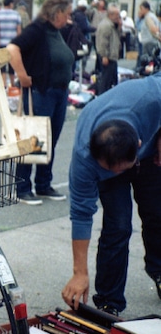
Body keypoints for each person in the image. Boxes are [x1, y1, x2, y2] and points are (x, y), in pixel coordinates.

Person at [62, 77, 161, 315]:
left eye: (121, 168)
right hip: (118, 157)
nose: (118, 172)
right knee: (118, 227)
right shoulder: (85, 159)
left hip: (146, 155)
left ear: (138, 143)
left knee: (157, 212)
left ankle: (159, 271)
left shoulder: (150, 96)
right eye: (111, 168)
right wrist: (80, 272)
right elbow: (81, 214)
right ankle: (109, 302)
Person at [7, 0, 74, 205]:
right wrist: (23, 76)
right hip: (41, 91)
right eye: (67, 13)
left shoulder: (56, 32)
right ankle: (22, 187)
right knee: (33, 138)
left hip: (59, 92)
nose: (69, 18)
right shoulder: (37, 29)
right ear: (58, 12)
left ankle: (44, 184)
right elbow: (12, 48)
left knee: (50, 141)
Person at [0, 0, 22, 87]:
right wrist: (18, 42)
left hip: (1, 43)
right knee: (12, 64)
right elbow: (18, 30)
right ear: (10, 4)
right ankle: (13, 84)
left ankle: (3, 84)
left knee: (2, 64)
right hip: (12, 44)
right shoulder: (16, 14)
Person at [95, 4, 122, 95]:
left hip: (112, 56)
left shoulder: (113, 25)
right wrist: (104, 55)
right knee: (105, 80)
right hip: (108, 56)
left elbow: (117, 37)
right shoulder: (106, 26)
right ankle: (102, 96)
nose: (118, 17)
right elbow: (103, 42)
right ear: (111, 15)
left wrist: (119, 26)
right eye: (117, 15)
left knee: (112, 79)